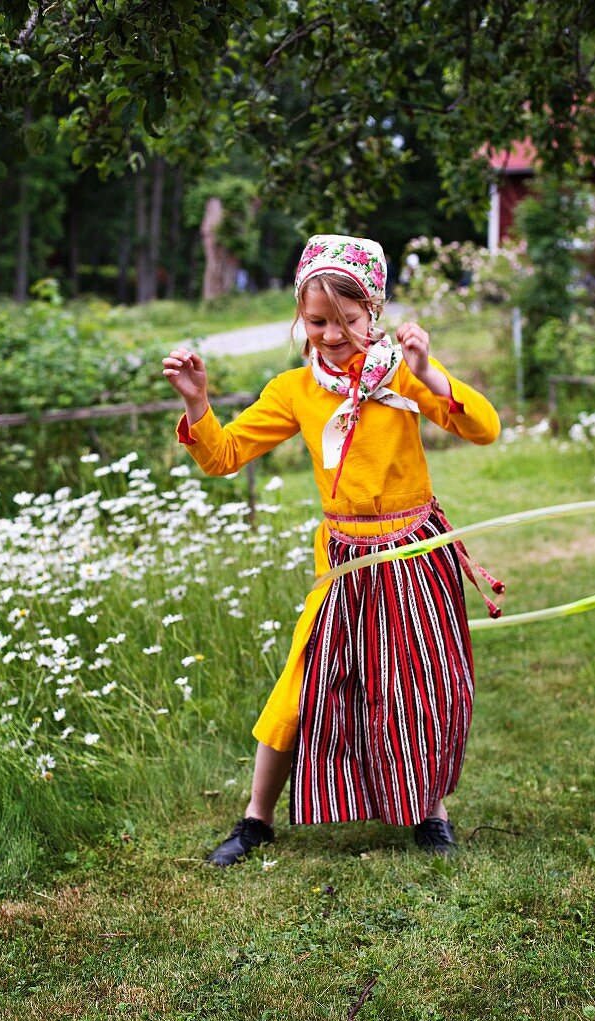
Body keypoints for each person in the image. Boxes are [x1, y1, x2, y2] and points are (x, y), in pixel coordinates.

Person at [162, 234, 502, 867]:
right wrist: (198, 405)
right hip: (344, 561)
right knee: (301, 683)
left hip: (412, 555)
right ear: (301, 317)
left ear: (373, 311)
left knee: (415, 686)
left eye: (348, 320)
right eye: (317, 321)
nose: (332, 333)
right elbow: (224, 456)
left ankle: (431, 813)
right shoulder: (296, 389)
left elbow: (484, 429)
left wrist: (431, 375)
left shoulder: (403, 374)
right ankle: (256, 819)